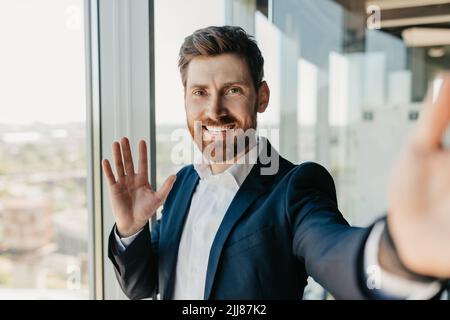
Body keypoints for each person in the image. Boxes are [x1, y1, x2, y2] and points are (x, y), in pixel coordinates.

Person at [102, 26, 450, 300]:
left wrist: (397, 254)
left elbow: (333, 252)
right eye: (200, 93)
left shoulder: (293, 187)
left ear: (262, 97)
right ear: (185, 100)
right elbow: (142, 287)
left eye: (233, 90)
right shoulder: (178, 186)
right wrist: (131, 231)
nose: (214, 111)